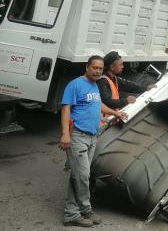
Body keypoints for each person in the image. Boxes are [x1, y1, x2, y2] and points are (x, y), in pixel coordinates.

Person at [59, 56, 125, 227]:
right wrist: (65, 134)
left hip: (92, 136)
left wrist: (115, 113)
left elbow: (98, 104)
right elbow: (66, 110)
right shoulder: (75, 85)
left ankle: (72, 213)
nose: (97, 71)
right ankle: (86, 210)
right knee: (83, 176)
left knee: (78, 175)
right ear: (87, 67)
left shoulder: (95, 85)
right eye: (94, 68)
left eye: (100, 68)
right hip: (78, 136)